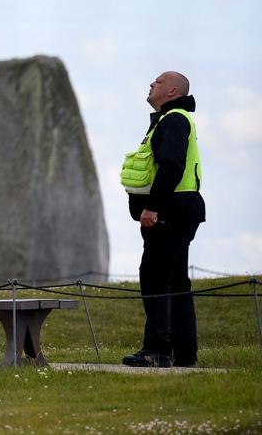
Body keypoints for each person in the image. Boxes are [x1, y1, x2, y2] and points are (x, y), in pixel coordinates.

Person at [119, 71, 206, 368]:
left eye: (156, 82)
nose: (150, 84)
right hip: (181, 209)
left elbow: (171, 166)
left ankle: (157, 350)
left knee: (155, 279)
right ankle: (184, 353)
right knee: (177, 282)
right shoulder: (172, 120)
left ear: (171, 91)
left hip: (170, 211)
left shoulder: (174, 120)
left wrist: (152, 208)